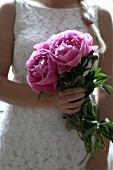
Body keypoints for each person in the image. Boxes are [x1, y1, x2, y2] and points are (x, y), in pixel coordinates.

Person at [0, 0, 113, 169]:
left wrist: (101, 153)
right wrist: (50, 100)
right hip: (21, 140)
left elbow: (107, 91)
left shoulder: (101, 16)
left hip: (79, 149)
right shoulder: (12, 10)